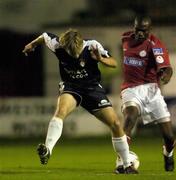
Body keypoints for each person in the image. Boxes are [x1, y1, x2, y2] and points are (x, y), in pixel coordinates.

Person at [22, 28, 138, 174]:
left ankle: (126, 164)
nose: (74, 55)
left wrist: (101, 59)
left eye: (75, 52)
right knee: (61, 111)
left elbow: (114, 63)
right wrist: (32, 45)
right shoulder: (57, 44)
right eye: (70, 52)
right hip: (71, 87)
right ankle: (48, 150)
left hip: (92, 88)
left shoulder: (92, 46)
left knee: (115, 123)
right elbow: (44, 37)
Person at [116, 16, 175, 173]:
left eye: (144, 31)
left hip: (151, 91)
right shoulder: (125, 38)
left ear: (150, 30)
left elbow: (167, 67)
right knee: (130, 118)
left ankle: (168, 153)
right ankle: (123, 162)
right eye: (137, 29)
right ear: (133, 27)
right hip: (130, 89)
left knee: (169, 136)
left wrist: (166, 75)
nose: (140, 33)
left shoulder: (155, 45)